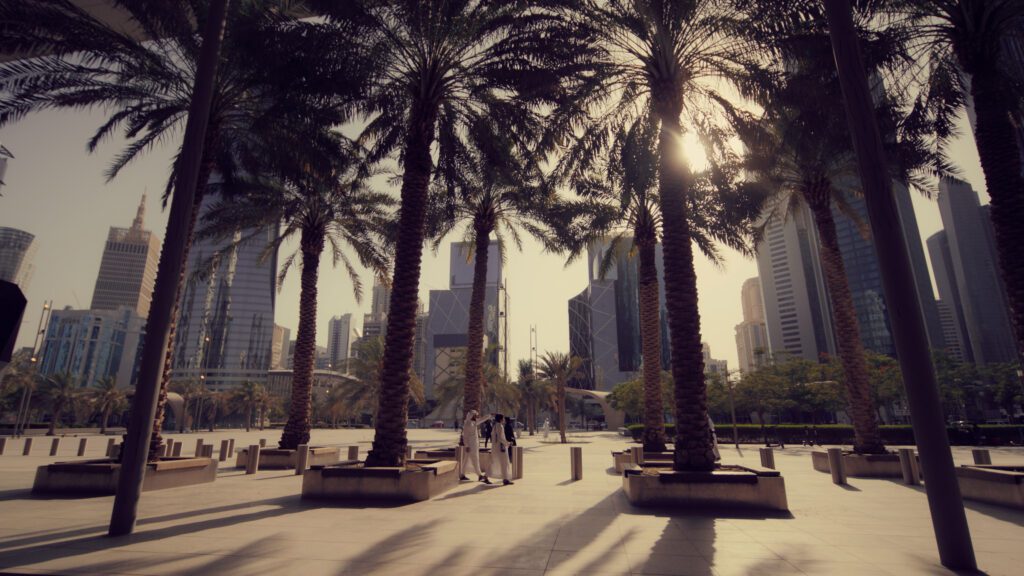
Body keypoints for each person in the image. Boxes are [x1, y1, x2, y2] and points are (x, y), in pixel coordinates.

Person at [459, 410, 491, 484]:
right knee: (475, 459)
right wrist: (467, 445)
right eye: (475, 415)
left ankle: (462, 474)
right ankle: (479, 475)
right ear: (471, 416)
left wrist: (489, 415)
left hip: (474, 444)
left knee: (466, 459)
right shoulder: (467, 424)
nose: (476, 416)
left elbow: (482, 419)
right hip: (470, 445)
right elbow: (465, 436)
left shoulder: (474, 422)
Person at [488, 413, 514, 485]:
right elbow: (500, 438)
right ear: (500, 419)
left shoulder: (495, 426)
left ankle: (486, 476)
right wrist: (508, 443)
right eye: (503, 418)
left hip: (496, 447)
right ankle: (505, 479)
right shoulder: (500, 426)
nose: (504, 419)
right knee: (504, 463)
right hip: (501, 448)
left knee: (493, 462)